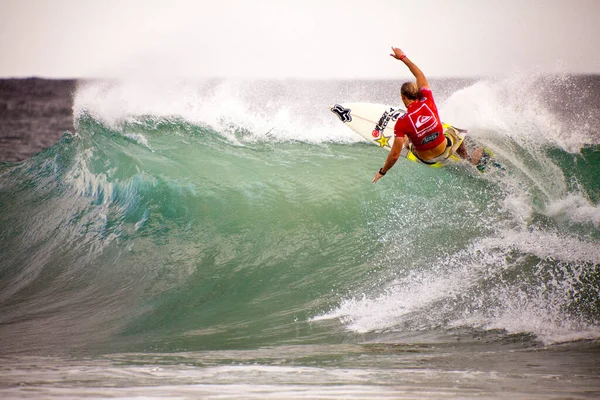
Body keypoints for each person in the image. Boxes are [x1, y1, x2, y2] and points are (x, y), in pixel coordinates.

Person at [373, 47, 482, 183]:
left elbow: (395, 155)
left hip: (426, 160)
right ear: (417, 93)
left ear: (403, 97)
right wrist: (402, 58)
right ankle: (466, 159)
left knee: (407, 141)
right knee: (453, 131)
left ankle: (409, 142)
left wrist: (381, 172)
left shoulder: (401, 122)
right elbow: (419, 75)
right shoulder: (427, 99)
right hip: (443, 150)